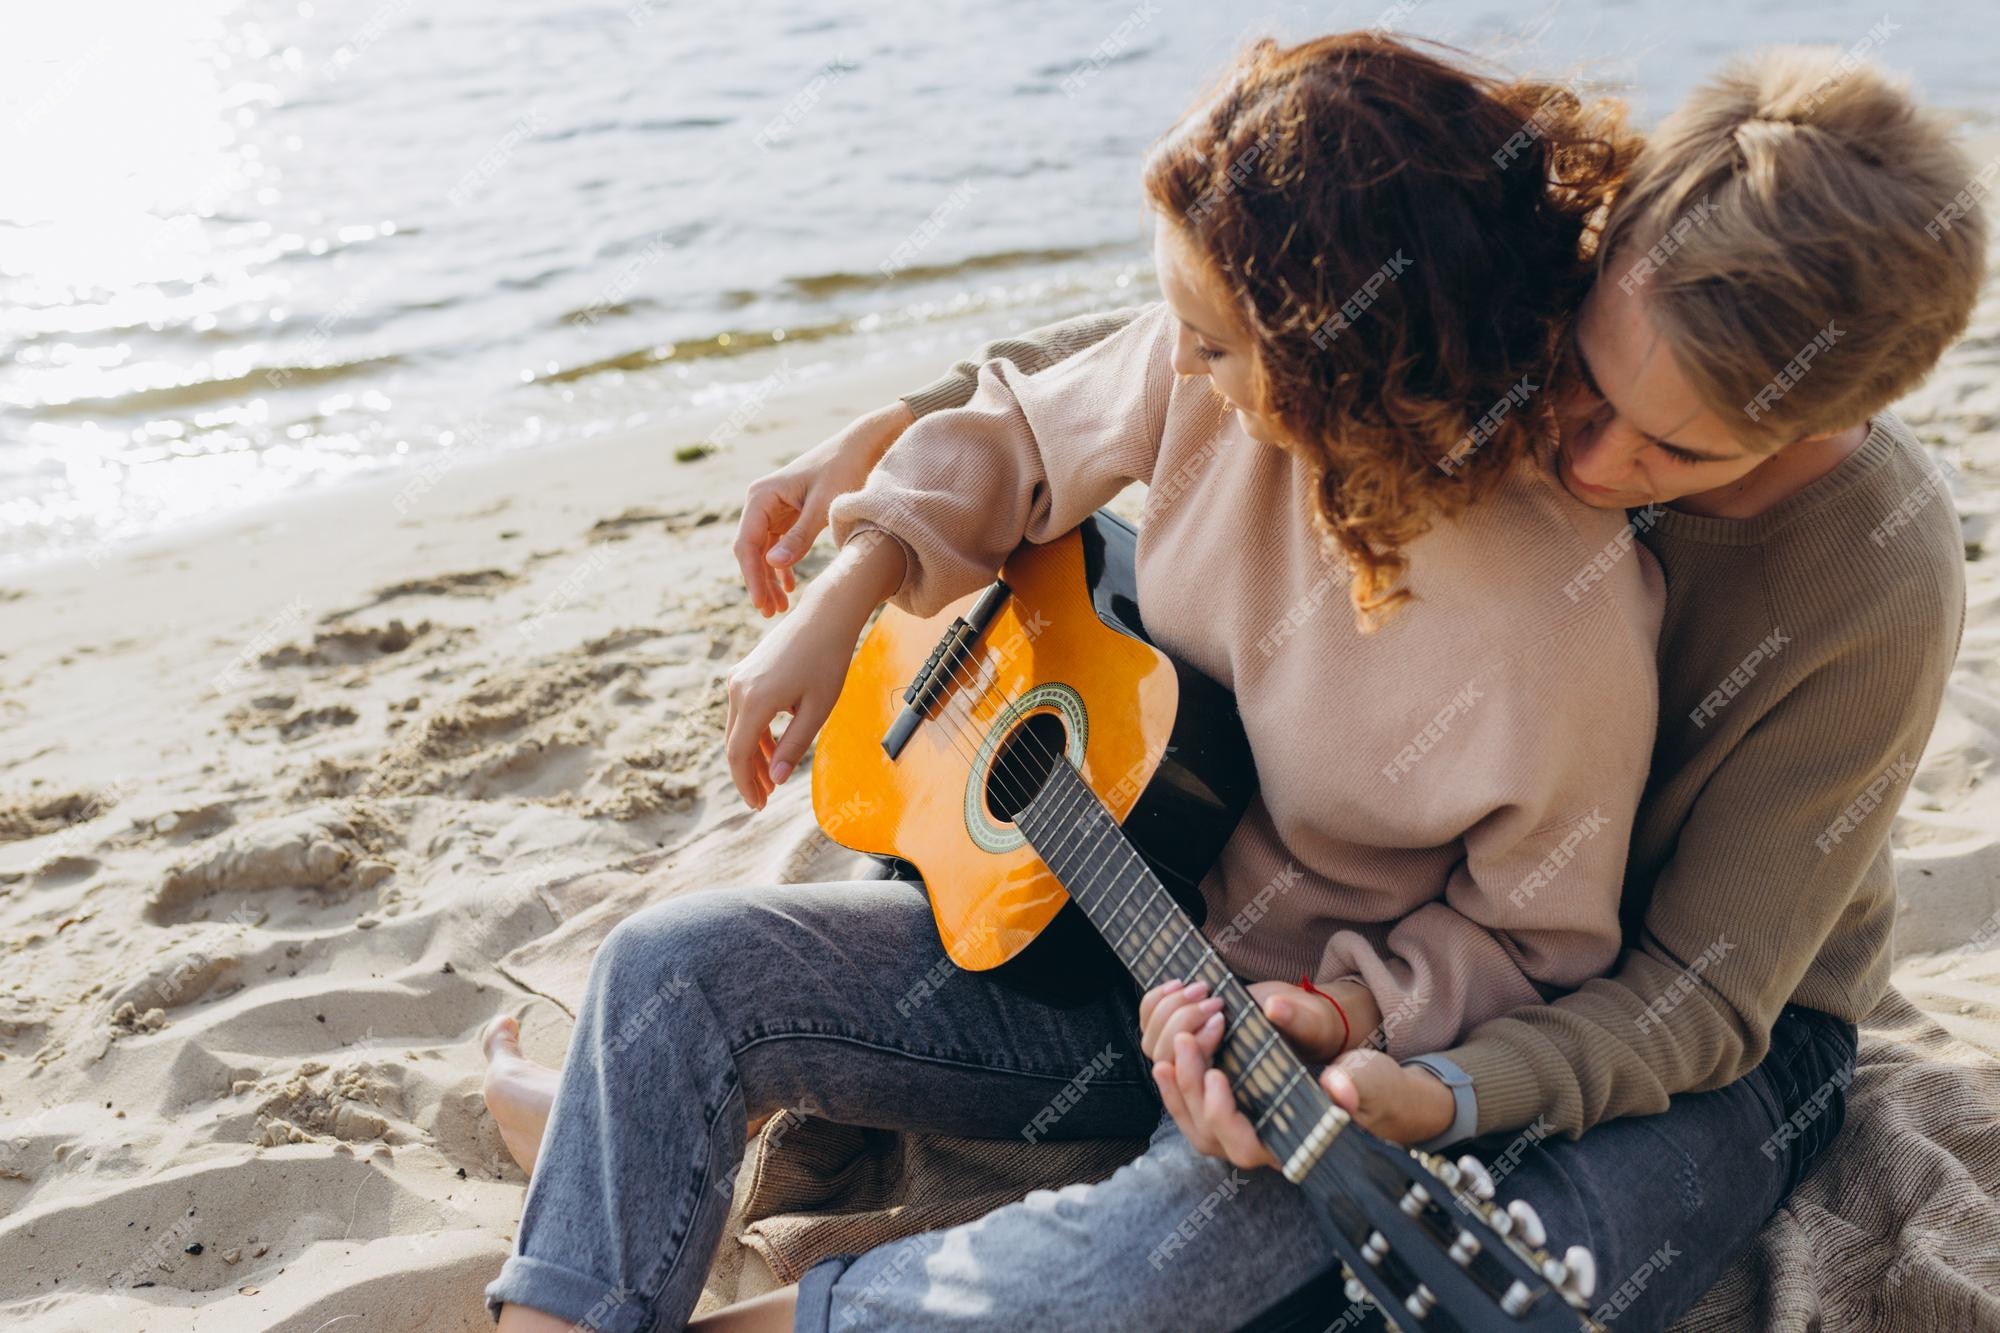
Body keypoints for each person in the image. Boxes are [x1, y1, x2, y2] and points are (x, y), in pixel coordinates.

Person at [731, 44, 1983, 1332]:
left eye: (1675, 447)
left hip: (1694, 1030)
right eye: (1582, 379)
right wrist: (896, 426)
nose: (1585, 453)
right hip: (1375, 923)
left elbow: (1707, 996)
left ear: (1835, 412)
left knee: (1450, 1281)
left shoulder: (1871, 581)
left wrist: (1447, 1084)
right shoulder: (1574, 279)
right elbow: (1205, 330)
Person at [483, 33, 1666, 1332]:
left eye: (1213, 345)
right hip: (1066, 935)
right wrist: (846, 591)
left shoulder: (1566, 626)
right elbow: (1019, 435)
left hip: (1256, 1039)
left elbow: (1533, 941)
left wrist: (1339, 1011)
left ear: (1343, 361)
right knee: (669, 969)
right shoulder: (1206, 377)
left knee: (1125, 1277)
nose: (1180, 366)